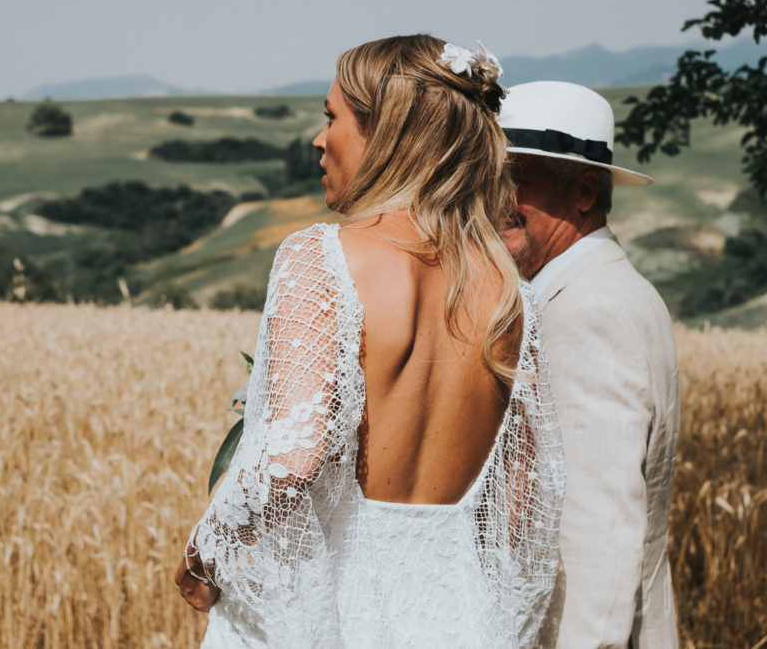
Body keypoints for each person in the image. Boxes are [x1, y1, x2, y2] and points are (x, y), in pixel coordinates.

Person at [174, 36, 565, 648]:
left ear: (387, 136)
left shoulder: (320, 259)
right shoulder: (511, 297)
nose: (318, 138)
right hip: (455, 617)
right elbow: (520, 511)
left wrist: (207, 553)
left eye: (332, 117)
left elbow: (292, 459)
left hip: (329, 614)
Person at [498, 81, 680, 648]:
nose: (493, 200)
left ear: (583, 191)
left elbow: (599, 534)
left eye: (516, 180)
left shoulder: (590, 311)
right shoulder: (593, 292)